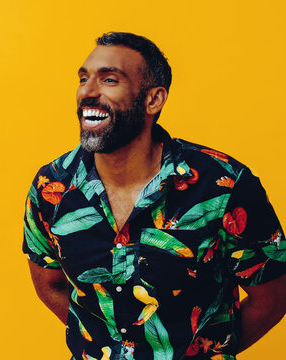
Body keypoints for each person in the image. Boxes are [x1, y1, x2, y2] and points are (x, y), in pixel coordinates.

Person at [22, 32, 286, 360]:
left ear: (153, 100)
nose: (88, 92)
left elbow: (272, 298)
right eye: (83, 78)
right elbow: (49, 284)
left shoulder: (223, 186)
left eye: (109, 80)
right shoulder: (53, 188)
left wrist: (206, 351)